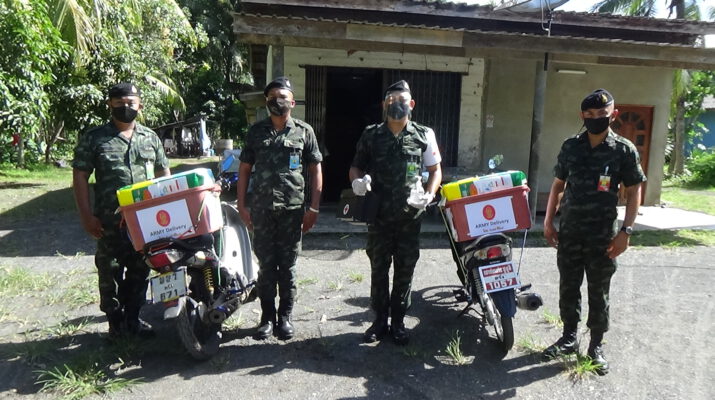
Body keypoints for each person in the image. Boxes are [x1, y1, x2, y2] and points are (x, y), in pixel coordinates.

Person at [541, 89, 646, 375]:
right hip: (570, 232)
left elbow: (634, 191)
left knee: (599, 291)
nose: (595, 118)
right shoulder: (570, 147)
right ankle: (568, 338)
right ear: (582, 116)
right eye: (589, 114)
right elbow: (558, 185)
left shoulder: (623, 150)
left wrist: (626, 231)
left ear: (614, 115)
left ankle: (595, 346)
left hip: (603, 236)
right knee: (568, 286)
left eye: (602, 114)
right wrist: (548, 221)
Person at [72, 82, 170, 338]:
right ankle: (115, 323)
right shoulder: (94, 138)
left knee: (141, 269)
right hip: (109, 220)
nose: (125, 107)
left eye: (130, 103)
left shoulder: (150, 138)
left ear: (140, 106)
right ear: (110, 105)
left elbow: (163, 173)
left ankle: (133, 318)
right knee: (110, 271)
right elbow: (80, 175)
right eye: (119, 103)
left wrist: (167, 210)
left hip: (145, 221)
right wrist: (86, 216)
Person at [349, 80, 442, 345]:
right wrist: (357, 183)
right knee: (379, 268)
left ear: (411, 104)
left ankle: (399, 321)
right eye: (391, 101)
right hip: (378, 216)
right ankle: (379, 321)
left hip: (409, 217)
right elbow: (356, 166)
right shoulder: (371, 134)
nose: (396, 105)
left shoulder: (424, 134)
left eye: (401, 101)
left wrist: (429, 194)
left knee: (405, 268)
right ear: (384, 105)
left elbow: (435, 170)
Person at [237, 77, 323, 341]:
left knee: (287, 267)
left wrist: (314, 209)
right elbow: (244, 169)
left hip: (292, 211)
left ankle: (285, 317)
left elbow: (315, 169)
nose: (278, 101)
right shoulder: (256, 132)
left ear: (293, 102)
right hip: (262, 210)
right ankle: (266, 318)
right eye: (272, 97)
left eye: (283, 96)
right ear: (267, 102)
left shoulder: (304, 131)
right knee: (266, 266)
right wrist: (241, 205)